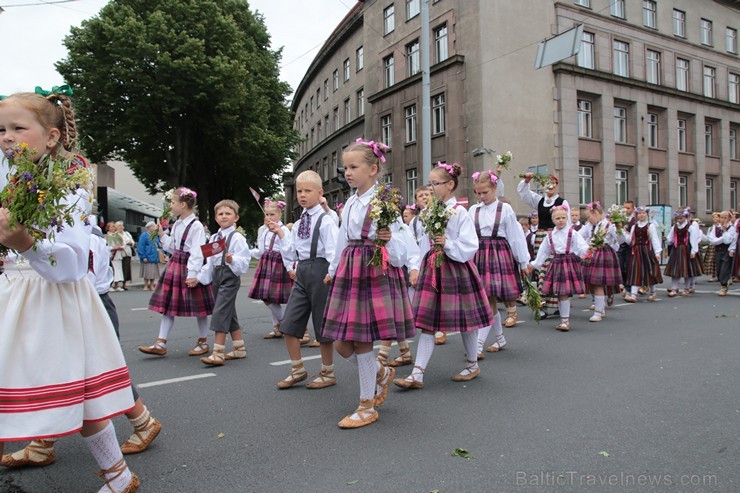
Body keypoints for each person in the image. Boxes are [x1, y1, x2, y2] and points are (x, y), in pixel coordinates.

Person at [0, 89, 139, 491]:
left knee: (82, 395)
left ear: (51, 137)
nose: (7, 137)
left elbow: (75, 262)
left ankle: (118, 476)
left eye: (18, 128)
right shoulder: (9, 180)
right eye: (2, 129)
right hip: (13, 296)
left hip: (49, 300)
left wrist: (25, 243)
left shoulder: (65, 188)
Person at [3, 223, 163, 469]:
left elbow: (76, 271)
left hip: (82, 301)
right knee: (62, 378)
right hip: (60, 298)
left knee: (95, 375)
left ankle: (141, 425)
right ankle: (42, 445)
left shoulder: (80, 232)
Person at [322, 139, 415, 428]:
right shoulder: (350, 202)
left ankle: (366, 405)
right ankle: (380, 373)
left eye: (353, 167)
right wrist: (334, 268)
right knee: (341, 343)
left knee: (361, 340)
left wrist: (388, 241)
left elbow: (403, 247)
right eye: (345, 167)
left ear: (373, 169)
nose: (347, 173)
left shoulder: (384, 201)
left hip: (373, 269)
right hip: (351, 270)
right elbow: (341, 240)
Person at [394, 162, 493, 389]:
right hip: (433, 267)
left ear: (450, 185)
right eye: (430, 184)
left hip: (455, 268)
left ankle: (471, 364)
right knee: (428, 322)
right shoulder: (429, 212)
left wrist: (447, 243)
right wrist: (416, 267)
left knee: (466, 321)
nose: (431, 189)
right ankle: (417, 374)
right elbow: (422, 242)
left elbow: (469, 245)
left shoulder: (459, 212)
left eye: (435, 184)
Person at [270, 170, 339, 389]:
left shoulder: (326, 221)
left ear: (320, 193)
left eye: (307, 191)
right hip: (302, 271)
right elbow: (291, 253)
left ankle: (328, 372)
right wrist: (281, 235)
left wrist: (333, 273)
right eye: (299, 191)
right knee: (289, 323)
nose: (302, 195)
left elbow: (334, 251)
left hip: (322, 271)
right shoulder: (299, 223)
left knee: (322, 325)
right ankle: (297, 369)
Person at [139, 187, 215, 357]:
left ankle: (203, 341)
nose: (170, 206)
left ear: (182, 204)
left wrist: (193, 274)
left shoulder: (195, 226)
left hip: (189, 267)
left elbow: (197, 251)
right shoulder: (177, 224)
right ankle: (160, 342)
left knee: (199, 308)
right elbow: (173, 248)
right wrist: (161, 235)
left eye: (172, 203)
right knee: (167, 305)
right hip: (176, 265)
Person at [469, 170, 529, 356]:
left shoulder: (505, 209)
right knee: (487, 298)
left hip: (498, 254)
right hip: (479, 254)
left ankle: (478, 344)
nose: (481, 197)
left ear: (494, 188)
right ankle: (500, 338)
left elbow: (516, 237)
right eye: (478, 193)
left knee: (489, 298)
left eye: (485, 192)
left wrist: (523, 261)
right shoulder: (473, 210)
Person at [198, 200, 250, 366]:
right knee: (228, 311)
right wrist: (200, 278)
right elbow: (210, 261)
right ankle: (239, 347)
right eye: (220, 214)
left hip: (229, 276)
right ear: (215, 217)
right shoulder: (214, 237)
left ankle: (218, 352)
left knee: (220, 311)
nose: (224, 216)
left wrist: (232, 259)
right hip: (217, 276)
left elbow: (245, 261)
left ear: (236, 217)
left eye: (228, 213)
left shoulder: (237, 238)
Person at [525, 205, 589, 331]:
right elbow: (543, 252)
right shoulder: (550, 236)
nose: (561, 220)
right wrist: (534, 264)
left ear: (567, 218)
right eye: (558, 218)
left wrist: (587, 251)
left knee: (564, 293)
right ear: (553, 220)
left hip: (569, 262)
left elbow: (581, 247)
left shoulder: (573, 233)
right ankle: (564, 320)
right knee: (560, 293)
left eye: (563, 218)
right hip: (556, 263)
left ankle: (565, 320)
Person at [517, 174, 571, 318]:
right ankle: (541, 305)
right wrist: (527, 181)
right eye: (547, 183)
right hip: (541, 238)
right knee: (541, 271)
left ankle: (558, 304)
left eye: (552, 183)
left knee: (555, 272)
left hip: (556, 238)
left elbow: (568, 224)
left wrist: (567, 245)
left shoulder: (562, 202)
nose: (549, 186)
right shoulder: (540, 200)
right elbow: (524, 193)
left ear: (556, 184)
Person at [249, 200, 293, 339]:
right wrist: (247, 252)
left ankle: (286, 323)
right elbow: (261, 251)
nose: (268, 217)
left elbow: (288, 249)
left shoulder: (284, 230)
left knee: (271, 297)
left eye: (272, 214)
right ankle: (278, 327)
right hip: (266, 264)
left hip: (278, 264)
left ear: (280, 214)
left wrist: (290, 267)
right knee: (268, 298)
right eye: (267, 214)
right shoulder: (264, 231)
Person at [579, 202, 624, 321]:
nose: (588, 220)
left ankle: (598, 313)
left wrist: (619, 228)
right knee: (592, 283)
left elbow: (620, 240)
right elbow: (580, 236)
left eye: (589, 217)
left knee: (598, 283)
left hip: (603, 254)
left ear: (596, 213)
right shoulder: (593, 225)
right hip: (593, 252)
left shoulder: (610, 225)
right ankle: (601, 308)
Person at [623, 207, 663, 303]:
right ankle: (633, 295)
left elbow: (654, 239)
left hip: (646, 250)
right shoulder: (634, 227)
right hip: (636, 251)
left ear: (647, 214)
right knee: (635, 271)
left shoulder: (650, 226)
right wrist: (623, 232)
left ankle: (653, 293)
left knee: (650, 270)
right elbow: (630, 241)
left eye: (643, 213)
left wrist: (657, 252)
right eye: (639, 213)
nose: (641, 215)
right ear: (636, 215)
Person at [664, 211, 700, 297]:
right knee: (675, 270)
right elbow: (671, 239)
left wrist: (693, 251)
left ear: (685, 218)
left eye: (681, 218)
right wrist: (667, 239)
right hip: (676, 249)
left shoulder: (690, 227)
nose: (679, 220)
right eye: (678, 218)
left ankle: (687, 288)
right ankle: (674, 288)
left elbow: (693, 240)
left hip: (686, 249)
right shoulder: (675, 227)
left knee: (686, 270)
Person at [707, 210, 737, 297]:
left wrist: (732, 249)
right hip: (718, 250)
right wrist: (721, 239)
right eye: (721, 217)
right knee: (719, 269)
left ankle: (723, 286)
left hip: (726, 250)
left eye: (725, 218)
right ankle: (723, 281)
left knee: (725, 268)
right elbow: (712, 239)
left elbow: (729, 241)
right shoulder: (716, 227)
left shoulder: (731, 228)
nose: (723, 219)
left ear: (729, 219)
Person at [616, 200, 637, 294]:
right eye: (624, 208)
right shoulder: (620, 219)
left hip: (630, 247)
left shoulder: (634, 221)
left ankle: (629, 286)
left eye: (628, 208)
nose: (625, 210)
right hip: (621, 246)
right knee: (620, 265)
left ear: (633, 209)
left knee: (628, 266)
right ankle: (624, 284)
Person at [137, 221, 161, 291]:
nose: (154, 228)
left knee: (153, 272)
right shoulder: (144, 235)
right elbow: (141, 246)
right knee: (147, 272)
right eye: (153, 226)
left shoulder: (155, 235)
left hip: (154, 256)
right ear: (149, 228)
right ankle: (146, 285)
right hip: (147, 256)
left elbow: (159, 245)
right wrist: (143, 256)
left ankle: (152, 285)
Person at [106, 221, 125, 291]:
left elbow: (123, 244)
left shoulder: (118, 236)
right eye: (111, 227)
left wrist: (121, 247)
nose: (113, 228)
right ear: (108, 228)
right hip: (111, 256)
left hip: (118, 255)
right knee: (112, 270)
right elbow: (106, 246)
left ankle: (117, 285)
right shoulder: (106, 236)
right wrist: (113, 248)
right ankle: (110, 285)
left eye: (114, 227)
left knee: (118, 270)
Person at [116, 221, 135, 290]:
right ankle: (117, 284)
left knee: (126, 269)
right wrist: (125, 243)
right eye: (119, 226)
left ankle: (124, 284)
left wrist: (130, 243)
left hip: (127, 253)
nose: (121, 227)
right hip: (119, 253)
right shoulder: (115, 235)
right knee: (119, 269)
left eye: (121, 226)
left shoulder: (127, 234)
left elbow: (132, 242)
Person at [703, 212, 721, 282]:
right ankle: (714, 275)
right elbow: (708, 237)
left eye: (716, 217)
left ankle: (719, 275)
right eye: (714, 217)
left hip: (718, 245)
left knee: (717, 260)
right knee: (712, 261)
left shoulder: (721, 226)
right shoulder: (711, 228)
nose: (715, 219)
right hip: (712, 245)